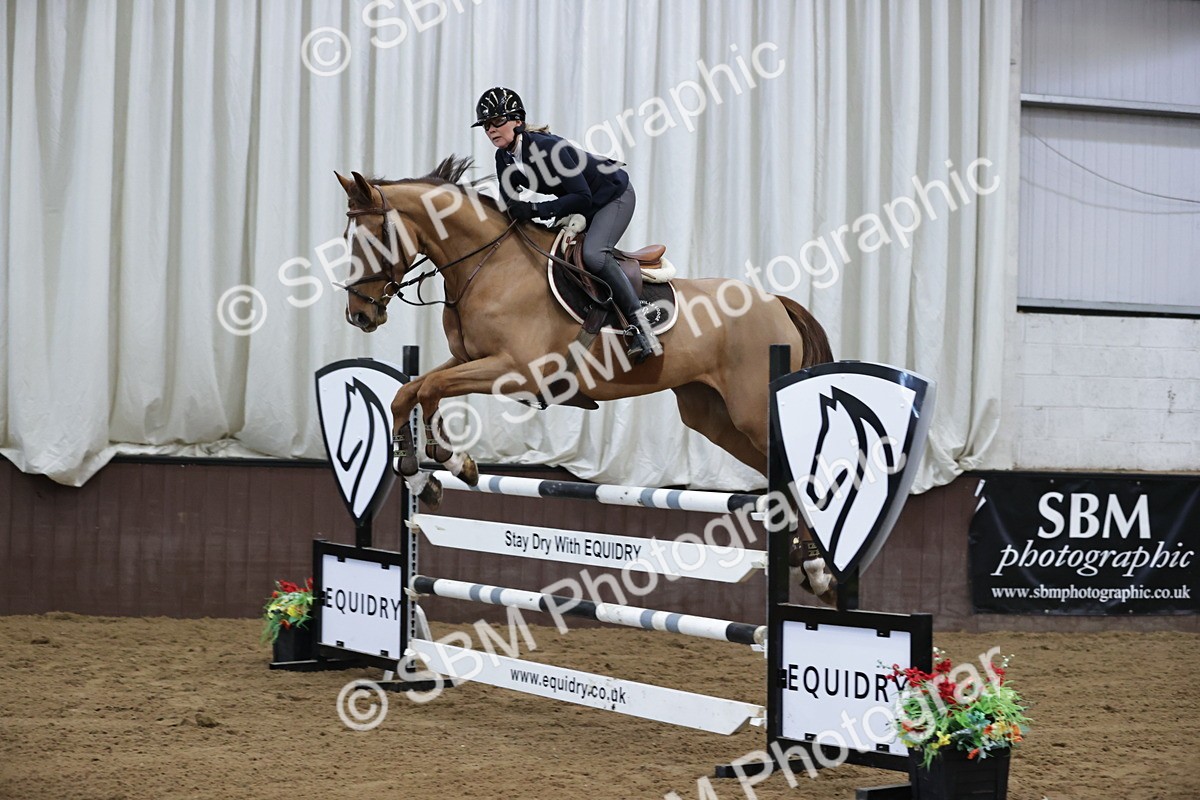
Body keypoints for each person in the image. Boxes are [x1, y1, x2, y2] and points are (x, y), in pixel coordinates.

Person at [472, 87, 662, 363]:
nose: (491, 130)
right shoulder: (503, 158)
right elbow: (511, 207)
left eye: (497, 121)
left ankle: (642, 328)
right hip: (583, 201)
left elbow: (582, 196)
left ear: (518, 121)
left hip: (613, 195)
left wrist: (536, 209)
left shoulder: (546, 148)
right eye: (486, 125)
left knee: (594, 255)